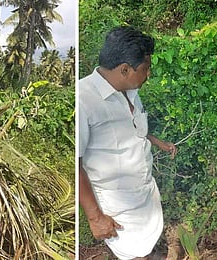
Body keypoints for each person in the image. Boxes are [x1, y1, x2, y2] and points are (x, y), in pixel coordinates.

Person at [79, 26, 177, 259]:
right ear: (124, 69)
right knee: (129, 252)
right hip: (117, 206)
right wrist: (95, 217)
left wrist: (157, 142)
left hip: (145, 196)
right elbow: (76, 162)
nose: (148, 75)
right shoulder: (84, 100)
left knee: (145, 245)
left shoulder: (130, 90)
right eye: (145, 69)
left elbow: (132, 131)